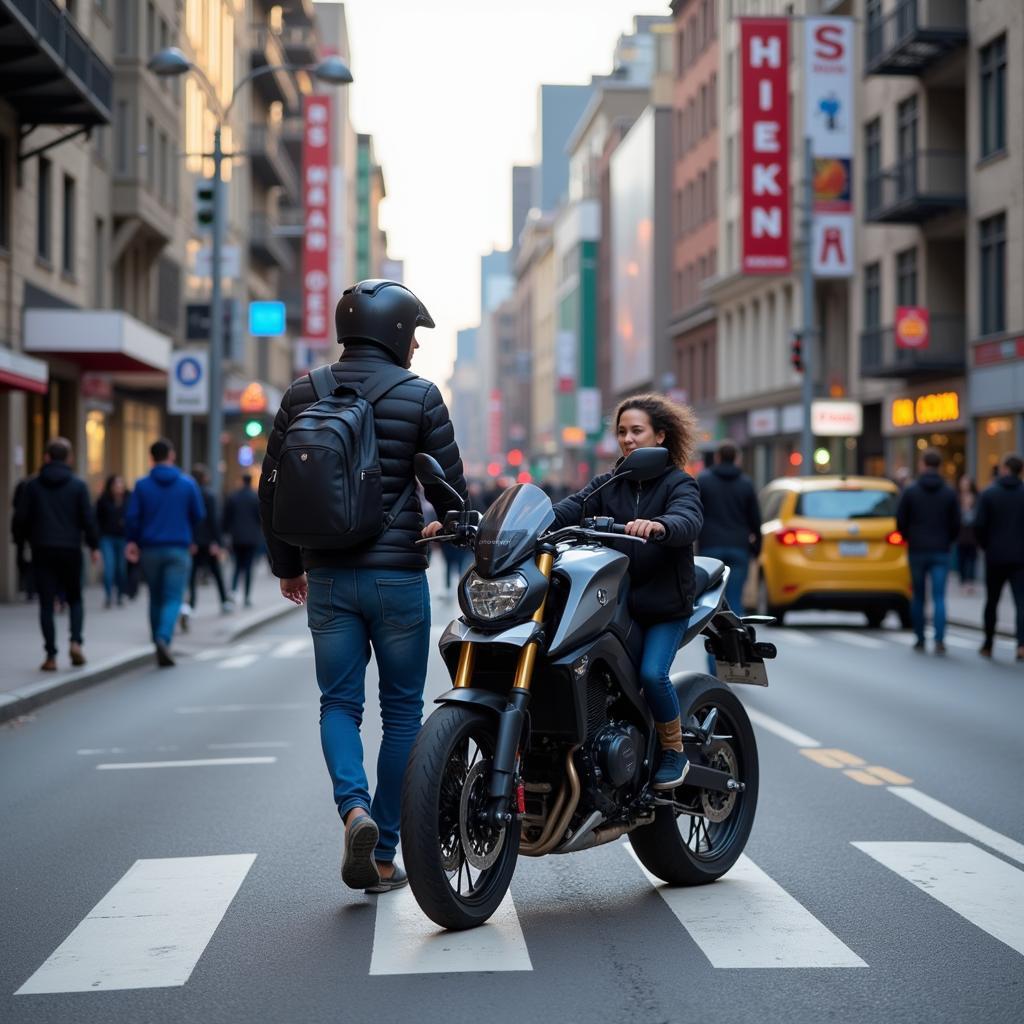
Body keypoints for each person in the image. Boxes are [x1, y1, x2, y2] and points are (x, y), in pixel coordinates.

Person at [260, 279, 467, 894]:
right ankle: (383, 850)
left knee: (338, 704)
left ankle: (352, 811)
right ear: (398, 334)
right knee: (403, 714)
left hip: (325, 576)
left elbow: (270, 488)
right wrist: (453, 529)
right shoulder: (421, 395)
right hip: (398, 576)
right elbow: (450, 489)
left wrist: (286, 565)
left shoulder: (303, 391)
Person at [548, 393, 703, 790]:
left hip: (662, 608)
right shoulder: (610, 483)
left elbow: (688, 519)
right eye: (621, 432)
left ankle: (674, 751)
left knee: (652, 675)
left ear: (660, 436)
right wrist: (514, 520)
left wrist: (660, 526)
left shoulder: (678, 483)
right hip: (617, 604)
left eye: (637, 431)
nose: (628, 439)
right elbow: (567, 509)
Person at [12, 438, 99, 671]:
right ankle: (76, 642)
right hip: (70, 549)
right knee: (75, 599)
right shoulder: (78, 486)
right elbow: (88, 519)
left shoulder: (33, 486)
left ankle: (51, 655)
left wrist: (21, 542)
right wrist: (94, 546)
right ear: (69, 458)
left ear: (46, 457)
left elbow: (20, 519)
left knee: (46, 604)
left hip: (42, 548)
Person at [125, 438, 204, 667]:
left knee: (155, 597)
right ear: (171, 456)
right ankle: (163, 638)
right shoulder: (187, 484)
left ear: (151, 458)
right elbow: (198, 515)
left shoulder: (142, 485)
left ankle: (156, 640)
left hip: (149, 549)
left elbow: (132, 518)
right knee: (173, 598)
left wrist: (132, 541)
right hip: (178, 548)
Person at [896, 449, 960, 654]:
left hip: (917, 549)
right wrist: (947, 540)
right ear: (939, 466)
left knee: (919, 596)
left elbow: (900, 521)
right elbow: (956, 523)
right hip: (941, 549)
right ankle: (939, 639)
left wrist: (909, 537)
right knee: (940, 596)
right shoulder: (949, 492)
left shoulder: (911, 490)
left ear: (923, 465)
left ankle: (920, 637)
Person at [696, 441, 761, 617]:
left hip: (710, 546)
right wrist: (757, 548)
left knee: (710, 596)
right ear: (737, 459)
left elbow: (695, 514)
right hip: (739, 546)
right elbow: (755, 519)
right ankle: (734, 635)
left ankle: (712, 631)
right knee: (735, 596)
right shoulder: (746, 483)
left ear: (717, 457)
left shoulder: (703, 480)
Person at [974, 453, 1024, 662]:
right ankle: (1021, 645)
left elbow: (979, 526)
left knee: (992, 601)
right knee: (1021, 603)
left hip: (995, 556)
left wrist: (986, 546)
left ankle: (988, 643)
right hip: (1021, 558)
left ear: (1004, 469)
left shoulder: (989, 494)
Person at [182, 463, 231, 629]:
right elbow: (214, 521)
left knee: (192, 576)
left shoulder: (188, 495)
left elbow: (187, 521)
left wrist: (190, 541)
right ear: (205, 478)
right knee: (216, 573)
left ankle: (191, 606)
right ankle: (224, 601)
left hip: (194, 542)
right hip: (209, 542)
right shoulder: (209, 495)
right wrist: (218, 542)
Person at [223, 473, 263, 607]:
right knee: (248, 567)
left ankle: (233, 592)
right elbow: (260, 517)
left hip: (237, 537)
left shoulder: (233, 496)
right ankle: (246, 596)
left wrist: (226, 534)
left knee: (237, 566)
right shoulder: (255, 497)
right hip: (252, 537)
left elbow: (226, 517)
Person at [95, 474, 130, 608]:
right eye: (116, 484)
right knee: (109, 567)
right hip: (107, 537)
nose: (119, 487)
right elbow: (97, 520)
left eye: (121, 484)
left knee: (121, 568)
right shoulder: (103, 500)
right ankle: (108, 595)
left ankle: (120, 594)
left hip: (123, 537)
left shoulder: (129, 498)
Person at [10, 476, 36, 601]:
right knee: (31, 563)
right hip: (32, 539)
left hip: (26, 539)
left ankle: (28, 587)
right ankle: (30, 588)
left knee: (25, 562)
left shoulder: (20, 509)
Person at [956, 475, 979, 592]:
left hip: (972, 534)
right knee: (961, 559)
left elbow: (978, 517)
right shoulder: (957, 498)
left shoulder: (977, 498)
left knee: (971, 559)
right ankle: (963, 580)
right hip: (961, 534)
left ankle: (970, 581)